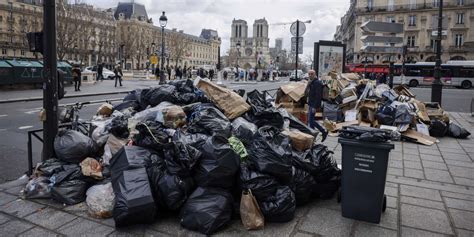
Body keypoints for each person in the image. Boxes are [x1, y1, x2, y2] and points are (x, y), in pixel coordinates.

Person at [305, 69, 328, 142]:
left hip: (313, 105)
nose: (310, 75)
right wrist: (308, 84)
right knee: (310, 121)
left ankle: (323, 131)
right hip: (310, 103)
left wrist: (315, 107)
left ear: (315, 74)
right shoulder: (312, 82)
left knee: (311, 121)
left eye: (312, 74)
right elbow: (307, 93)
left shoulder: (317, 83)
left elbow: (318, 96)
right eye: (309, 74)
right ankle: (312, 137)